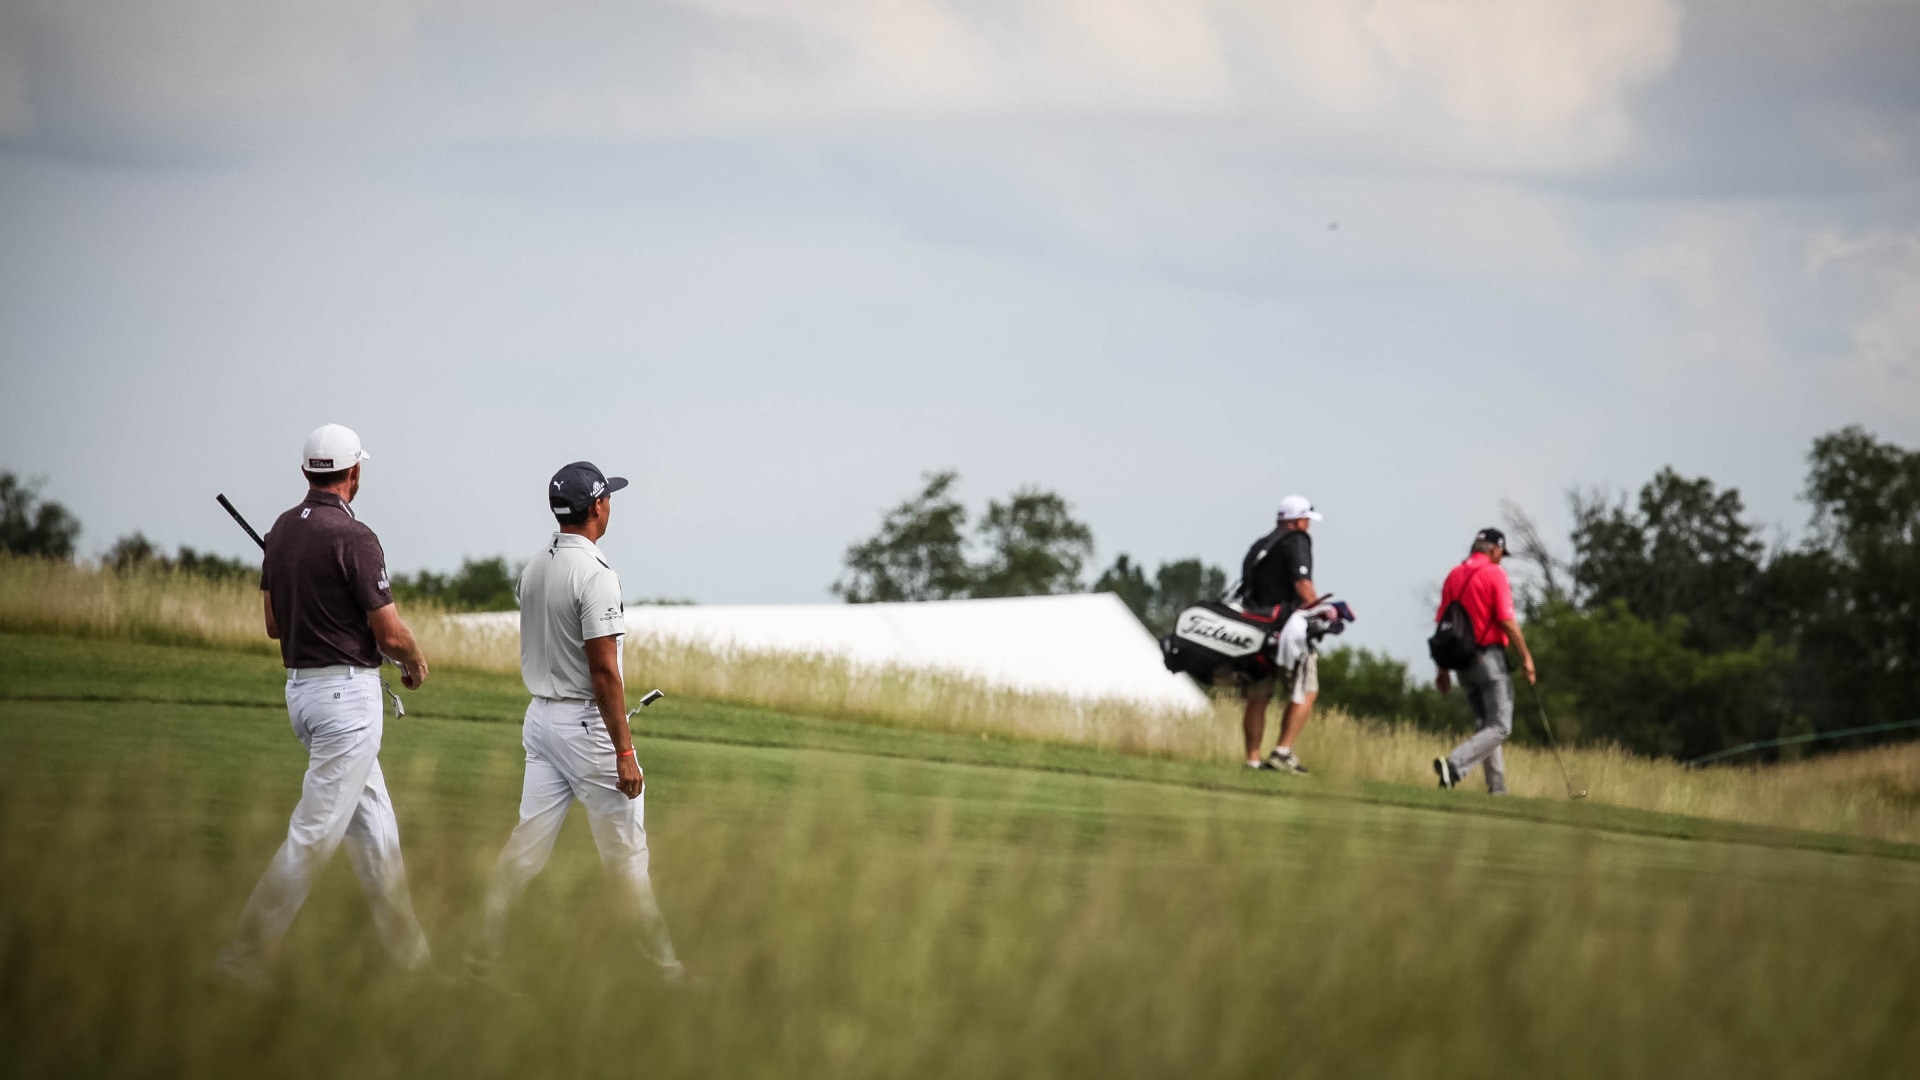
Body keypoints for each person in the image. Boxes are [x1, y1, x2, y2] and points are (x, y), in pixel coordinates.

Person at [214, 424, 433, 992]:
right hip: (346, 703)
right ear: (353, 473)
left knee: (378, 831)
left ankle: (411, 961)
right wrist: (413, 660)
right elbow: (389, 630)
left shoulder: (283, 530)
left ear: (308, 471)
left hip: (304, 696)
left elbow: (272, 625)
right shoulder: (355, 537)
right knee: (313, 834)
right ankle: (242, 956)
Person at [474, 461, 682, 980]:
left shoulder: (534, 567)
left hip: (539, 721)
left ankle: (479, 949)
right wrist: (626, 751)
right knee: (628, 855)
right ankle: (662, 971)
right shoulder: (595, 575)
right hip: (585, 728)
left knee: (526, 847)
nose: (610, 503)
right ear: (596, 508)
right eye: (607, 497)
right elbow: (605, 674)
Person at [1432, 527, 1537, 795]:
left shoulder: (1454, 575)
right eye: (1502, 553)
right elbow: (1506, 620)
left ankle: (1497, 789)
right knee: (1500, 726)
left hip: (1461, 663)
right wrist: (1526, 657)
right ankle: (1454, 765)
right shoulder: (1494, 573)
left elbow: (1444, 627)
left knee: (1486, 726)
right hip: (1488, 659)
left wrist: (1442, 670)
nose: (1502, 558)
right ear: (1493, 550)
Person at [1241, 494, 1325, 774]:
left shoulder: (1260, 545)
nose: (1308, 526)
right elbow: (1302, 583)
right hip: (1287, 630)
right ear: (1298, 520)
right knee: (1306, 691)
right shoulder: (1297, 540)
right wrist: (1319, 612)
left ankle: (1252, 760)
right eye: (1306, 520)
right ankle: (1282, 751)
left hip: (1256, 629)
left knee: (1258, 696)